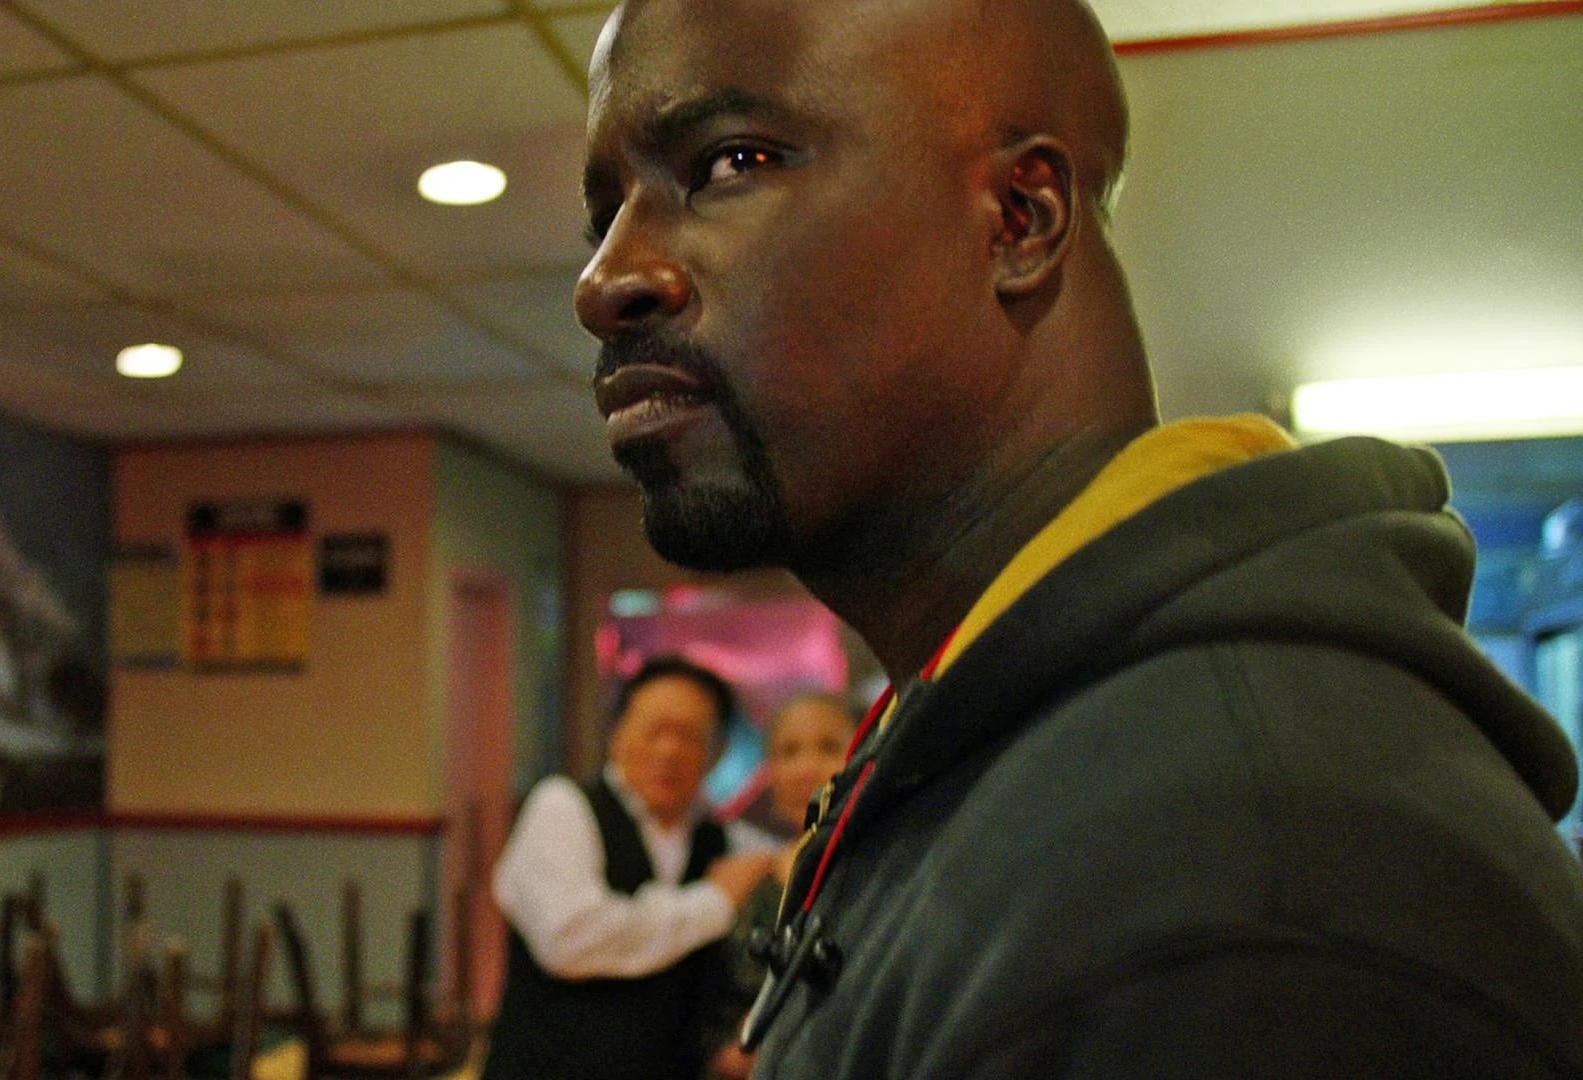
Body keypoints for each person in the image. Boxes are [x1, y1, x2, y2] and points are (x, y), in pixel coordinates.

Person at [576, 0, 1583, 1076]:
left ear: (1021, 219)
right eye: (603, 215)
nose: (604, 281)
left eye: (731, 163)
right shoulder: (1018, 755)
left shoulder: (1233, 887)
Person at [482, 654, 778, 1080]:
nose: (669, 750)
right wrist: (712, 903)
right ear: (616, 734)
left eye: (690, 735)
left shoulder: (724, 839)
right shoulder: (563, 807)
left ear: (717, 752)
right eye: (655, 729)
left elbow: (783, 866)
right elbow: (570, 937)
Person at [705, 692, 855, 1080]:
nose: (807, 768)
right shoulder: (749, 876)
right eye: (789, 752)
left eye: (828, 747)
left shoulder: (881, 869)